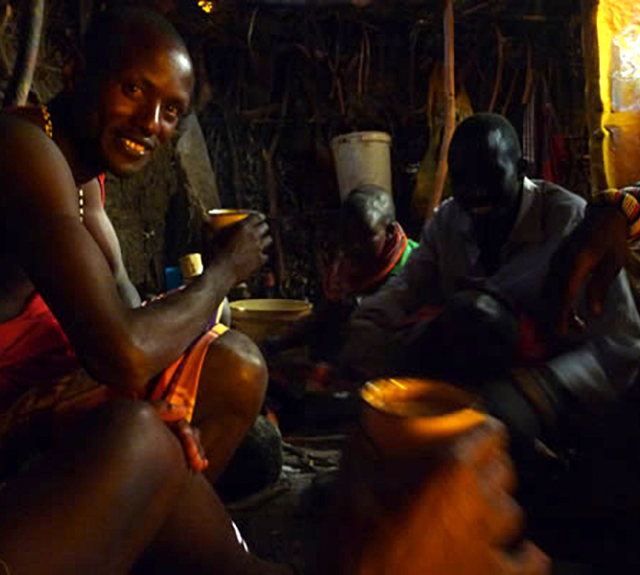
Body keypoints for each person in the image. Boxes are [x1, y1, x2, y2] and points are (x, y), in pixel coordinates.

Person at [0, 7, 293, 574]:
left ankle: (140, 531)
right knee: (145, 431)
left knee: (233, 366)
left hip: (43, 400)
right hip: (14, 416)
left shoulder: (86, 186)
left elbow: (131, 313)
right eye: (134, 88)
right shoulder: (23, 151)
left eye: (171, 111)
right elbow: (124, 353)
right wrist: (222, 273)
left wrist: (163, 397)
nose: (150, 122)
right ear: (75, 67)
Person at [340, 113, 640, 487]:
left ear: (521, 168)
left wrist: (531, 393)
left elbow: (621, 346)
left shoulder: (569, 220)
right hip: (476, 377)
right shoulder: (448, 221)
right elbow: (404, 289)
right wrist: (364, 335)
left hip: (561, 390)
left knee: (477, 318)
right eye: (463, 181)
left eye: (490, 178)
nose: (476, 193)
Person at [262, 184, 418, 365]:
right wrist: (275, 343)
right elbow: (328, 312)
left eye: (363, 237)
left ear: (390, 232)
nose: (350, 245)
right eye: (346, 235)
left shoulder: (413, 268)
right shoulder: (350, 262)